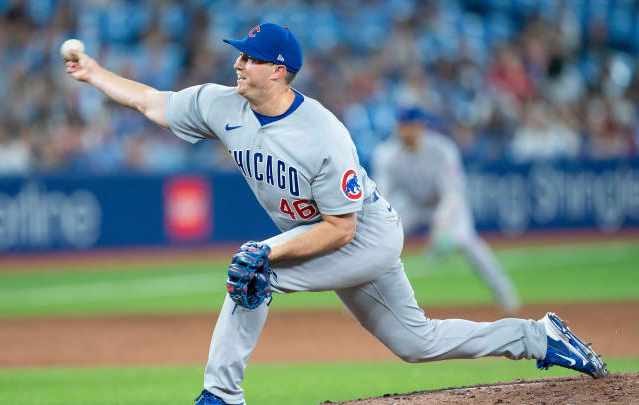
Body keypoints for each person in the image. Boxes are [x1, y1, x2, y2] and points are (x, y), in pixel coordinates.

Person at [64, 23, 607, 405]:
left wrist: (269, 250)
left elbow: (341, 228)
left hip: (367, 236)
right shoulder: (219, 103)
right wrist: (94, 73)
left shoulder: (323, 134)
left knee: (255, 270)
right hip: (329, 236)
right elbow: (151, 101)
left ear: (279, 71)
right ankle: (537, 337)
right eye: (238, 54)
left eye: (249, 58)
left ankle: (220, 395)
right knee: (416, 343)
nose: (237, 63)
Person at [372, 107, 521, 313]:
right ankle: (368, 299)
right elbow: (382, 194)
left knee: (468, 242)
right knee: (380, 240)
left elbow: (452, 192)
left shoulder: (442, 149)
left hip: (446, 203)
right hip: (412, 204)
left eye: (410, 126)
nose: (405, 131)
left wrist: (441, 224)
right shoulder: (386, 153)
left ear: (420, 126)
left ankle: (505, 292)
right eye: (402, 125)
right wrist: (383, 223)